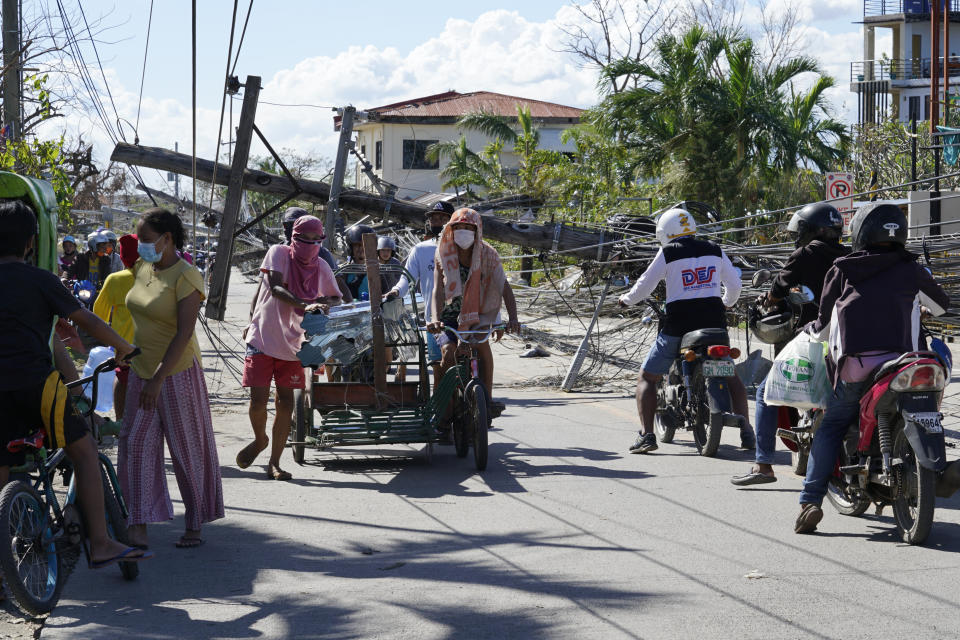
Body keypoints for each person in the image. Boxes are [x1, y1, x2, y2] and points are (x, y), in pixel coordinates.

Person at [0, 200, 152, 568]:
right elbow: (87, 320)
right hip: (37, 386)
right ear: (31, 243)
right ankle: (100, 543)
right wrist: (124, 347)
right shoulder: (41, 279)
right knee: (84, 452)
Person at [794, 203, 949, 534]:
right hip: (907, 364)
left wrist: (806, 331)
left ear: (860, 232)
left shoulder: (842, 268)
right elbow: (940, 306)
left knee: (831, 426)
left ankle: (810, 502)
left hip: (857, 368)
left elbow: (821, 329)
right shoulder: (912, 269)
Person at [120, 207, 223, 549]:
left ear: (167, 239)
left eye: (146, 240)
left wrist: (158, 379)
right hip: (140, 370)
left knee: (186, 450)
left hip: (175, 374)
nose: (141, 246)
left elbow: (183, 334)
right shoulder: (142, 269)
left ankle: (194, 523)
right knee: (136, 446)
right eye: (139, 240)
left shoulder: (186, 276)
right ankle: (139, 523)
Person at [731, 203, 850, 486]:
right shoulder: (850, 255)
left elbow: (778, 289)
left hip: (813, 339)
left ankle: (763, 465)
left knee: (765, 393)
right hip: (847, 340)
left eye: (801, 231)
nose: (798, 237)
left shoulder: (805, 254)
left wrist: (768, 300)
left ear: (811, 231)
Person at [618, 208, 752, 454]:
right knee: (732, 375)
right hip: (715, 326)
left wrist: (626, 300)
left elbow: (645, 285)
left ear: (665, 233)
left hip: (679, 327)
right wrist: (726, 303)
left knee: (647, 378)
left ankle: (647, 435)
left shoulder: (668, 252)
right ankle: (748, 432)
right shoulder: (714, 249)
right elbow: (734, 284)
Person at [237, 215, 341, 480]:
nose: (308, 245)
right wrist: (306, 304)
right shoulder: (278, 253)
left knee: (286, 404)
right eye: (303, 240)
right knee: (258, 401)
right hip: (262, 336)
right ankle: (260, 439)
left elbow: (340, 298)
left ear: (321, 241)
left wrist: (322, 302)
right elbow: (275, 288)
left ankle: (275, 462)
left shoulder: (321, 266)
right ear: (293, 238)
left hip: (294, 342)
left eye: (314, 241)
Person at [427, 208, 521, 420]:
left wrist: (513, 318)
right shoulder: (443, 251)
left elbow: (504, 287)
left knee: (482, 347)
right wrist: (435, 319)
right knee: (448, 352)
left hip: (479, 315)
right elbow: (437, 290)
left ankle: (487, 399)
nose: (463, 231)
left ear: (477, 230)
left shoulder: (489, 254)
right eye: (458, 227)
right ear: (451, 229)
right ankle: (449, 401)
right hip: (447, 319)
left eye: (468, 228)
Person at [386, 201, 454, 371]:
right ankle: (440, 397)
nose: (438, 222)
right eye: (434, 219)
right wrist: (396, 291)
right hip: (434, 317)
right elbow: (407, 278)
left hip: (461, 314)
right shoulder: (421, 249)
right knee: (438, 365)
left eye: (443, 218)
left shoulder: (462, 247)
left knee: (466, 359)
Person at [93, 234, 139, 422]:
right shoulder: (160, 278)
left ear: (122, 257)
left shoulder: (115, 280)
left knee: (122, 382)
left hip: (125, 351)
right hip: (157, 351)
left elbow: (98, 314)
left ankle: (121, 424)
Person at [342, 224, 376, 301]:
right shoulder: (344, 270)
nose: (361, 248)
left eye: (364, 245)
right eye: (357, 245)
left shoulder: (379, 269)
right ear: (351, 248)